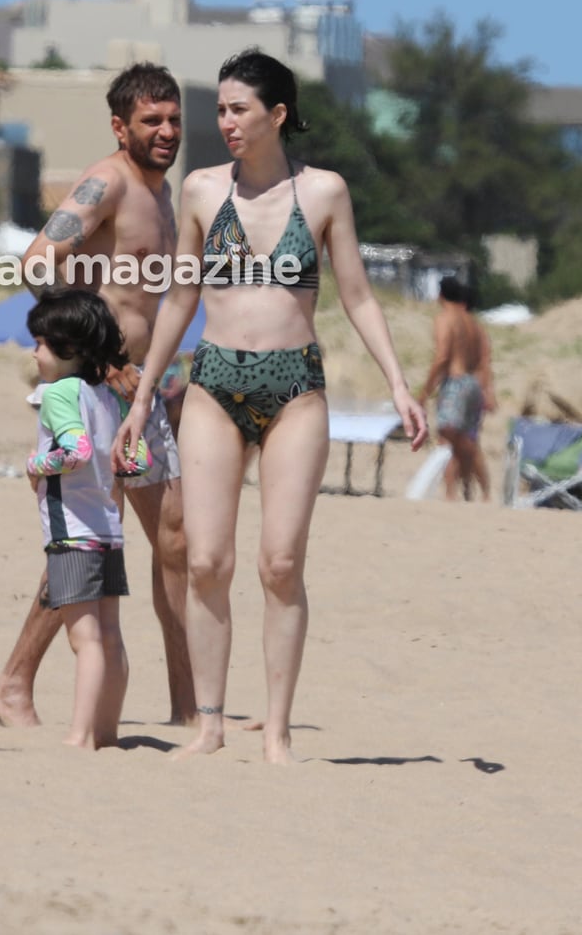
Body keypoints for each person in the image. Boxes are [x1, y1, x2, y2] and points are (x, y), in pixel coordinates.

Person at [116, 48, 428, 763]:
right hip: (213, 383)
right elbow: (182, 297)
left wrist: (399, 384)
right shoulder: (198, 190)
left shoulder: (323, 193)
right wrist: (140, 398)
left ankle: (279, 730)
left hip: (295, 388)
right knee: (206, 561)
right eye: (221, 109)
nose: (225, 121)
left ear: (277, 114)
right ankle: (211, 724)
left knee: (281, 561)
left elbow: (355, 295)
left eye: (239, 109)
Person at [0, 62, 196, 729]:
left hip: (142, 394)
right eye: (151, 121)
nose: (166, 131)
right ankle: (14, 681)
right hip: (95, 392)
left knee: (175, 538)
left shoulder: (165, 193)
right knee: (89, 543)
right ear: (119, 126)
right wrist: (99, 354)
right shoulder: (106, 180)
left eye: (173, 118)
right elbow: (35, 266)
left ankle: (188, 702)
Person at [24, 290, 152, 749]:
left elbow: (75, 453)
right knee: (111, 636)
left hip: (72, 533)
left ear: (68, 349)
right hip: (108, 530)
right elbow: (134, 460)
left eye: (39, 343)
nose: (34, 352)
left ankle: (79, 737)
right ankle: (106, 732)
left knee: (86, 642)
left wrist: (35, 466)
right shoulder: (105, 397)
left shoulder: (59, 394)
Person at [420, 276, 496, 502]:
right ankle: (483, 493)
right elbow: (485, 361)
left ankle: (450, 494)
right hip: (474, 385)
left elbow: (442, 356)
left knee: (448, 440)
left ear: (440, 295)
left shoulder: (445, 319)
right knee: (469, 442)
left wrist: (425, 391)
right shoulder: (475, 324)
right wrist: (488, 392)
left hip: (455, 383)